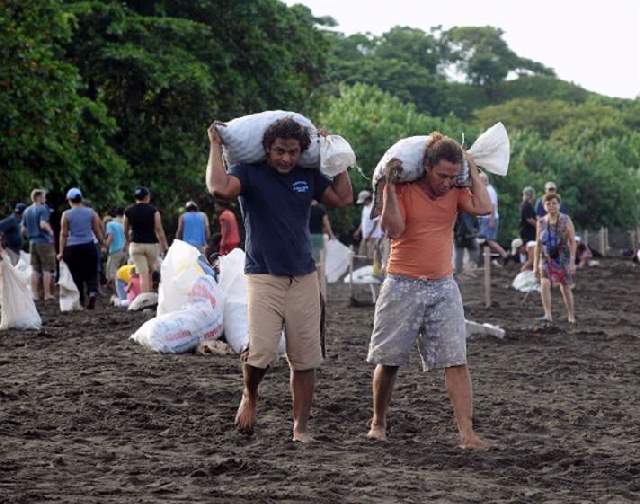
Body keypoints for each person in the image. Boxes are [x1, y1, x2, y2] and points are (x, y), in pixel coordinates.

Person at [206, 117, 353, 442]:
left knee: (304, 358)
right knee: (261, 352)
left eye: (292, 152)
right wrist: (215, 145)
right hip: (263, 276)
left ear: (301, 152)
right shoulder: (249, 172)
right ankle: (250, 394)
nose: (286, 158)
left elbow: (343, 199)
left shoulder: (307, 175)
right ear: (267, 150)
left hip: (303, 277)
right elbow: (219, 187)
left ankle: (299, 427)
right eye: (279, 151)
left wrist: (337, 157)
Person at [366, 132, 492, 449]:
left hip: (443, 285)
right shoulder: (405, 189)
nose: (447, 182)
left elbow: (484, 207)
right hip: (401, 283)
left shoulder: (456, 193)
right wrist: (390, 188)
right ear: (426, 166)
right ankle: (378, 422)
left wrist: (472, 170)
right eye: (441, 175)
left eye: (453, 176)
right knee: (389, 359)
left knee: (456, 359)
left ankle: (467, 434)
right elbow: (392, 229)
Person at [58, 188, 106, 309]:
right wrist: (103, 243)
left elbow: (63, 234)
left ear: (69, 200)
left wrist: (61, 251)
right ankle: (92, 291)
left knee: (76, 274)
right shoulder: (91, 212)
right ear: (81, 198)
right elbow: (96, 230)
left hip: (72, 247)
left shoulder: (66, 214)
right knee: (91, 271)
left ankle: (81, 300)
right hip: (88, 245)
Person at [533, 193, 576, 324]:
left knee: (565, 287)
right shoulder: (540, 222)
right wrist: (535, 265)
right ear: (544, 206)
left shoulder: (565, 219)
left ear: (559, 205)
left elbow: (572, 241)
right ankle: (547, 314)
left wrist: (572, 261)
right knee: (544, 283)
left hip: (562, 256)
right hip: (546, 256)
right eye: (548, 203)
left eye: (554, 203)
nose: (551, 206)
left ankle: (571, 315)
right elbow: (538, 244)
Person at [124, 186, 168, 293]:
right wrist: (165, 245)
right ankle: (150, 298)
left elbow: (125, 230)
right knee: (151, 272)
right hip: (151, 245)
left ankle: (144, 300)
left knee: (143, 274)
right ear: (147, 197)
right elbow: (158, 229)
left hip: (135, 245)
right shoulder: (153, 211)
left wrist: (128, 241)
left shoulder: (128, 211)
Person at [22, 189, 56, 301]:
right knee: (47, 268)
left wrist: (30, 236)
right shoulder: (42, 208)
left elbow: (23, 230)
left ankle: (34, 295)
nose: (45, 199)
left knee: (35, 269)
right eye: (43, 196)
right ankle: (47, 294)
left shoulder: (27, 210)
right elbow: (42, 224)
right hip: (44, 241)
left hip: (32, 242)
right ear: (38, 197)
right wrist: (51, 232)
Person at [477, 172, 508, 263]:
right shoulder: (483, 190)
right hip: (483, 218)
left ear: (484, 180)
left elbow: (493, 205)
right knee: (483, 242)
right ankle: (486, 261)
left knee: (490, 241)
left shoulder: (490, 190)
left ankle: (505, 255)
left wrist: (491, 219)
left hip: (488, 218)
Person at [309, 199, 334, 300]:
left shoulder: (305, 207)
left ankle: (310, 288)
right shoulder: (320, 208)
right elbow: (326, 223)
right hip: (318, 237)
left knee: (309, 262)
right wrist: (331, 235)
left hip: (306, 237)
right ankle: (319, 288)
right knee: (319, 264)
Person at [353, 190, 384, 261]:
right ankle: (365, 267)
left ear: (367, 199)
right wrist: (358, 231)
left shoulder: (373, 208)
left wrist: (370, 234)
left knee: (371, 254)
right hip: (366, 235)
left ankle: (373, 269)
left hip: (374, 235)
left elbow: (376, 223)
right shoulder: (365, 208)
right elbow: (363, 221)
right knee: (362, 253)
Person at [105, 208, 127, 287]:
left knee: (112, 273)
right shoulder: (124, 223)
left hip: (115, 250)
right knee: (121, 272)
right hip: (124, 250)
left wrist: (105, 246)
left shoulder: (110, 224)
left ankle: (117, 292)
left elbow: (110, 237)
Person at [453, 212, 479, 278]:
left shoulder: (457, 212)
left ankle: (464, 271)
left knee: (460, 255)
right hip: (466, 235)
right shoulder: (470, 212)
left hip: (462, 235)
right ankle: (464, 272)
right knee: (461, 254)